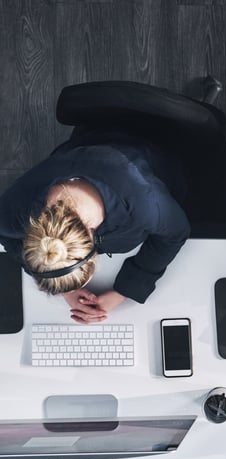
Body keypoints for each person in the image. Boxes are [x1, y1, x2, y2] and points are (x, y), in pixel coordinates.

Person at [0, 129, 192, 323]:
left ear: (93, 245)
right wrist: (67, 291)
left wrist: (123, 292)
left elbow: (175, 233)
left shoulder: (144, 206)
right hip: (86, 147)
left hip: (155, 152)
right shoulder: (15, 210)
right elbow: (5, 235)